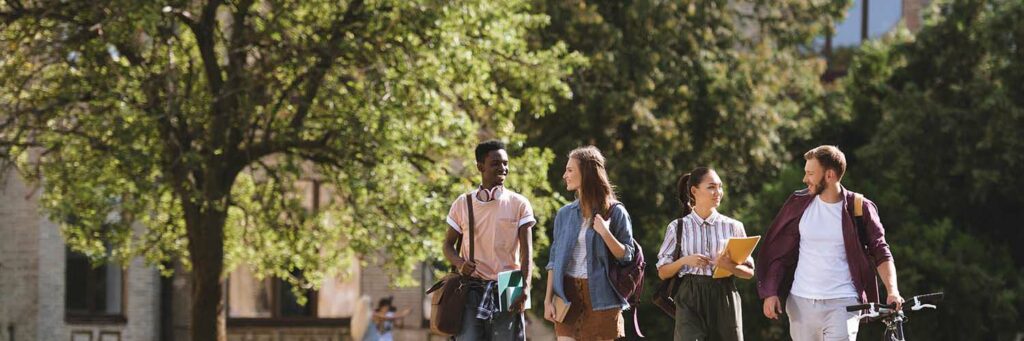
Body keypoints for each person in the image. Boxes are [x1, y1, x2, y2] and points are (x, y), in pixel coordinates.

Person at [756, 145, 904, 341]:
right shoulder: (798, 203)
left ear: (830, 175)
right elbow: (780, 251)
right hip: (801, 302)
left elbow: (881, 251)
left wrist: (892, 290)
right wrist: (770, 291)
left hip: (843, 303)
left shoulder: (859, 207)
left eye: (810, 173)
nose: (804, 179)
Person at [443, 140, 536, 341]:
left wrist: (525, 288)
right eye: (495, 163)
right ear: (480, 167)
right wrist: (459, 263)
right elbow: (447, 245)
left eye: (505, 163)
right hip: (471, 286)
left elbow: (527, 254)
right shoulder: (462, 203)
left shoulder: (519, 204)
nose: (503, 168)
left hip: (510, 284)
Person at [543, 146, 636, 341]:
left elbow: (626, 255)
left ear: (586, 173)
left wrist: (605, 232)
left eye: (570, 170)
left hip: (601, 299)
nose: (564, 175)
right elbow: (553, 260)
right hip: (566, 297)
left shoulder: (615, 212)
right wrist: (547, 300)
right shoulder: (564, 214)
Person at [656, 167, 753, 341]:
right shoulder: (677, 227)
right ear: (694, 191)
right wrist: (684, 261)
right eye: (711, 187)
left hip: (724, 295)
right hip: (690, 296)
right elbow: (662, 272)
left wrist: (727, 265)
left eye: (720, 187)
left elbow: (749, 273)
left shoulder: (734, 226)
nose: (718, 192)